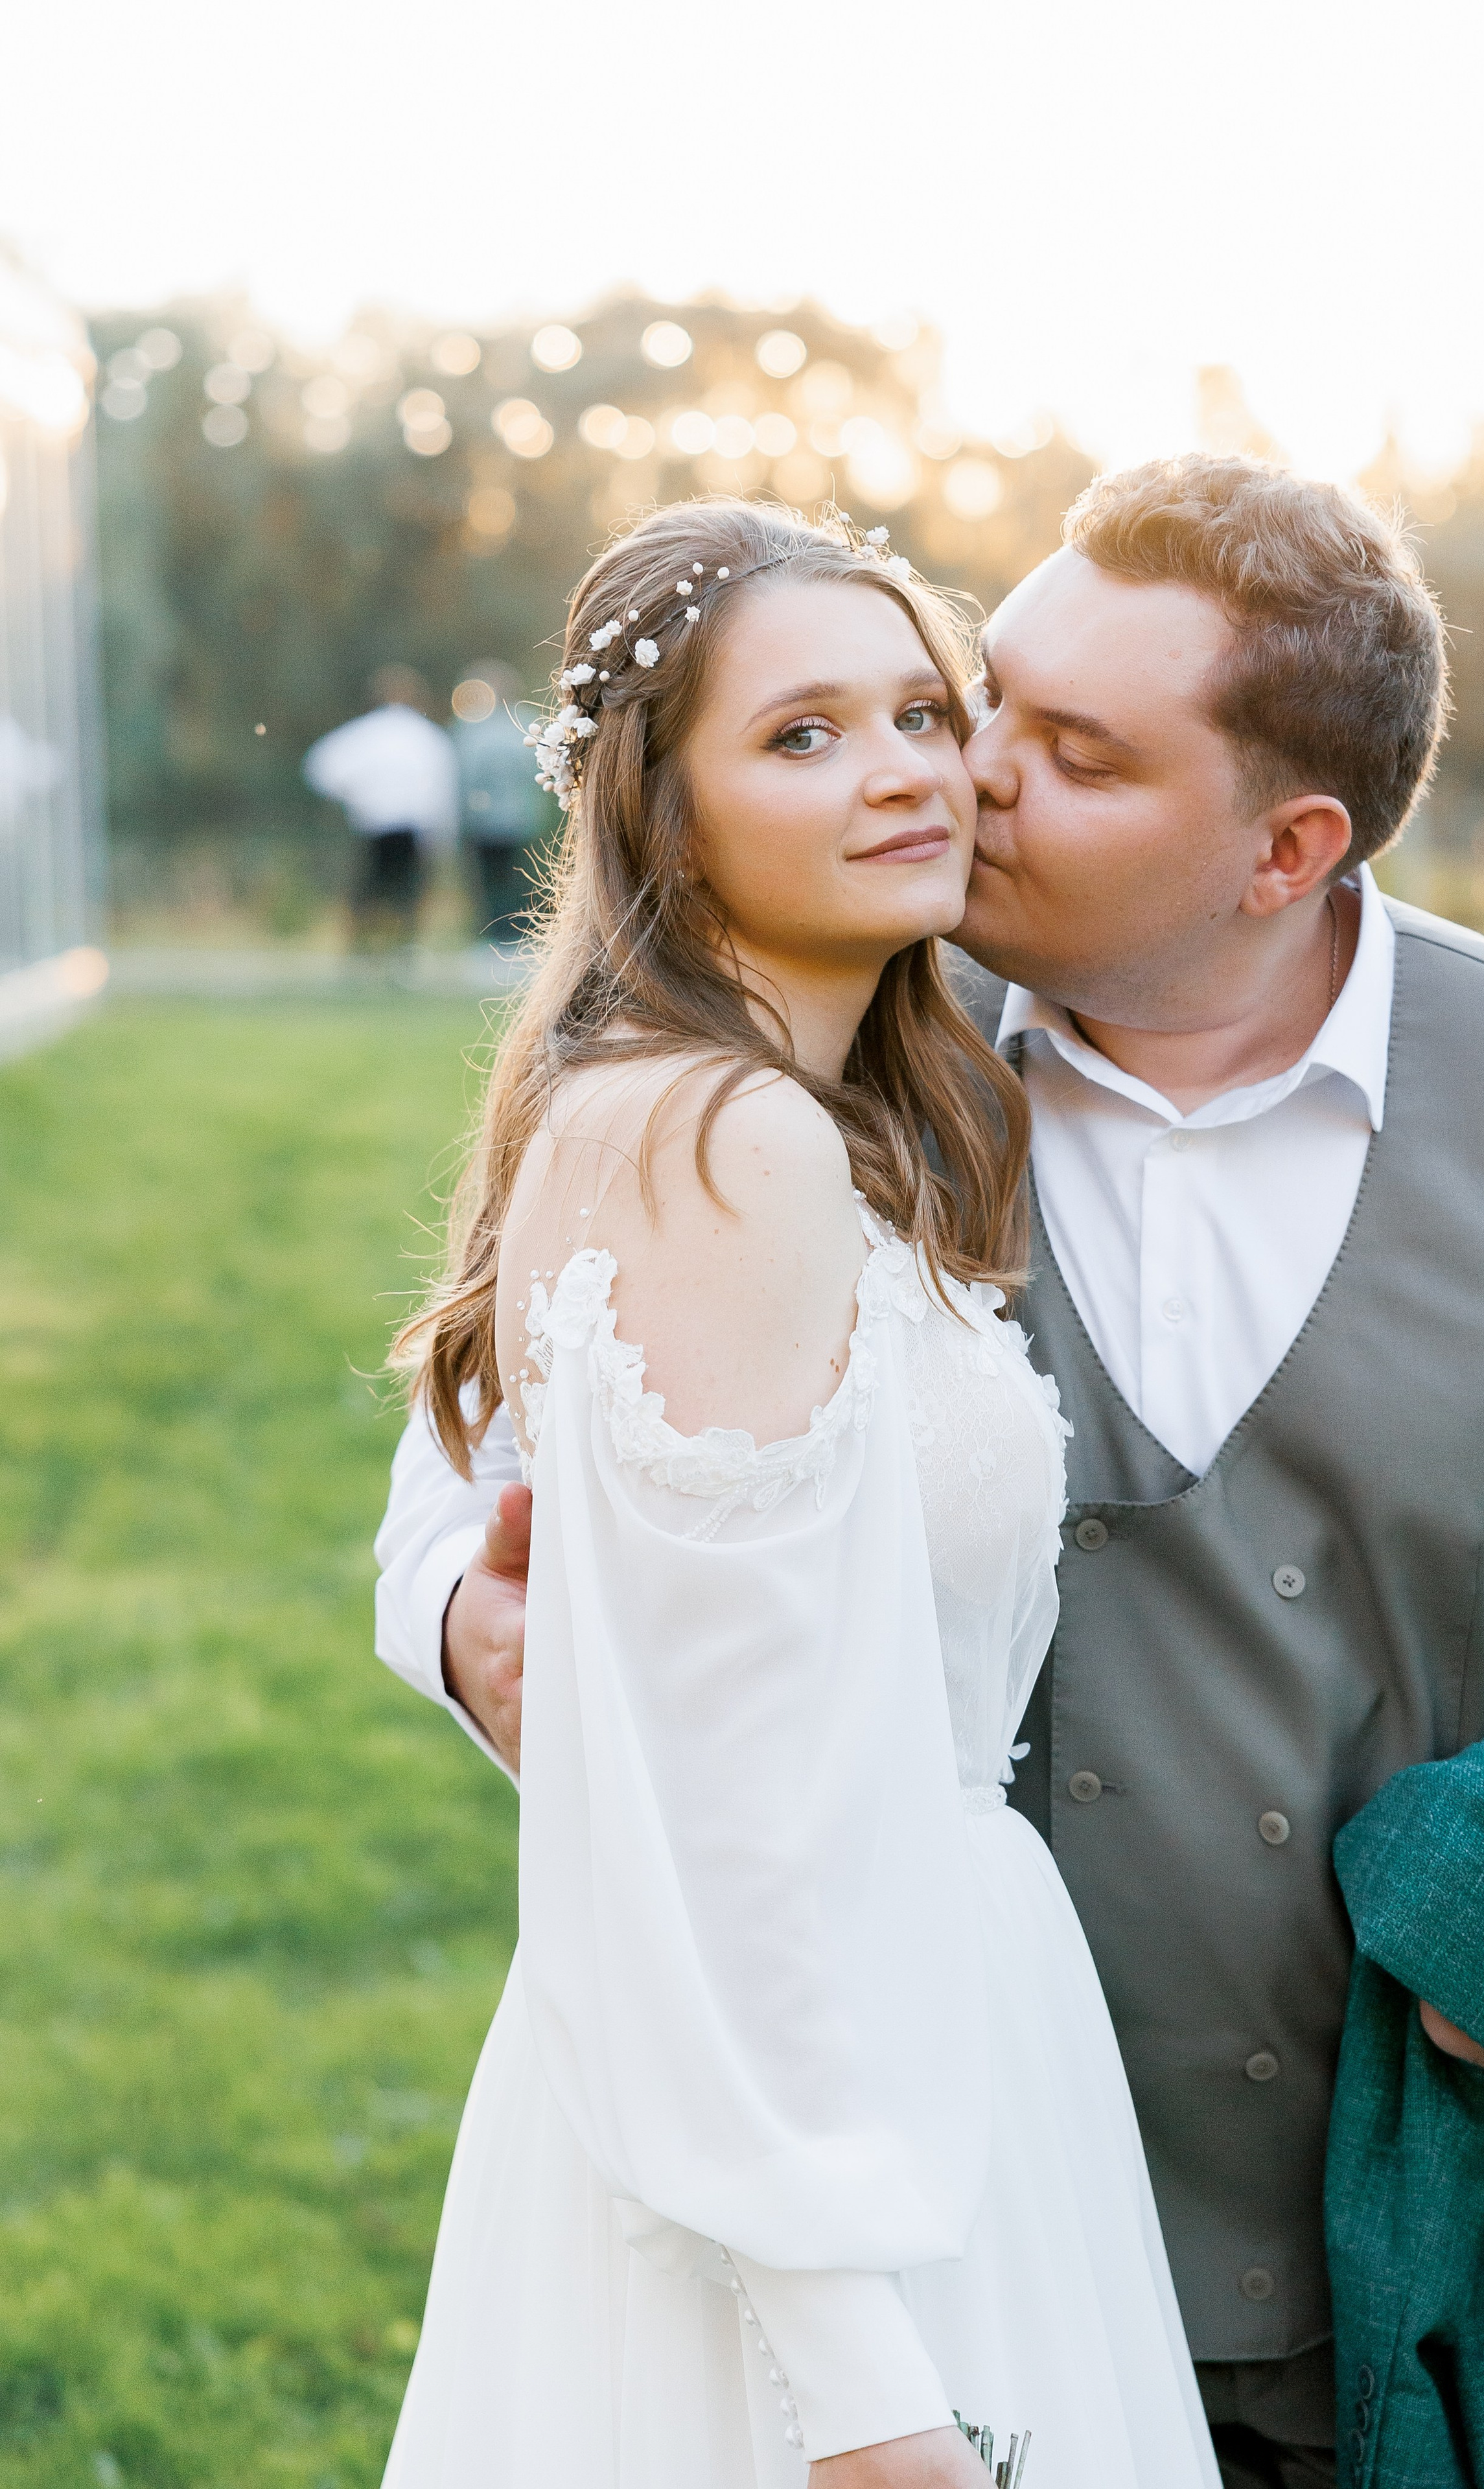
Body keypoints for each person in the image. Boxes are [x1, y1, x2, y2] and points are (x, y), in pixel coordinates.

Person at [380, 456, 1484, 2488]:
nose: (961, 776)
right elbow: (489, 1462)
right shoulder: (822, 1057)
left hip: (1408, 2229)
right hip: (914, 2173)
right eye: (976, 700)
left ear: (1285, 842)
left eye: (1058, 748)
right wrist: (490, 1623)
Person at [378, 500, 1220, 2488]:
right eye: (804, 734)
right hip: (804, 2113)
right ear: (663, 819)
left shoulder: (827, 1116)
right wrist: (858, 2385)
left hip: (938, 2028)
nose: (906, 768)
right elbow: (723, 1791)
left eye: (924, 710)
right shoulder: (715, 1133)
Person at [304, 666, 459, 947]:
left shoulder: (366, 732)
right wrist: (442, 834)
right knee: (406, 892)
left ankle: (364, 948)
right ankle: (401, 947)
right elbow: (440, 788)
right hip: (410, 827)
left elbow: (322, 766)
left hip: (374, 823)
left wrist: (353, 798)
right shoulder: (427, 736)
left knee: (369, 891)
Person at [448, 663, 553, 945]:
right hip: (524, 818)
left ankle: (495, 936)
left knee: (490, 882)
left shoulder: (473, 730)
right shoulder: (529, 724)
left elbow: (465, 777)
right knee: (521, 880)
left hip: (486, 820)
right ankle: (518, 935)